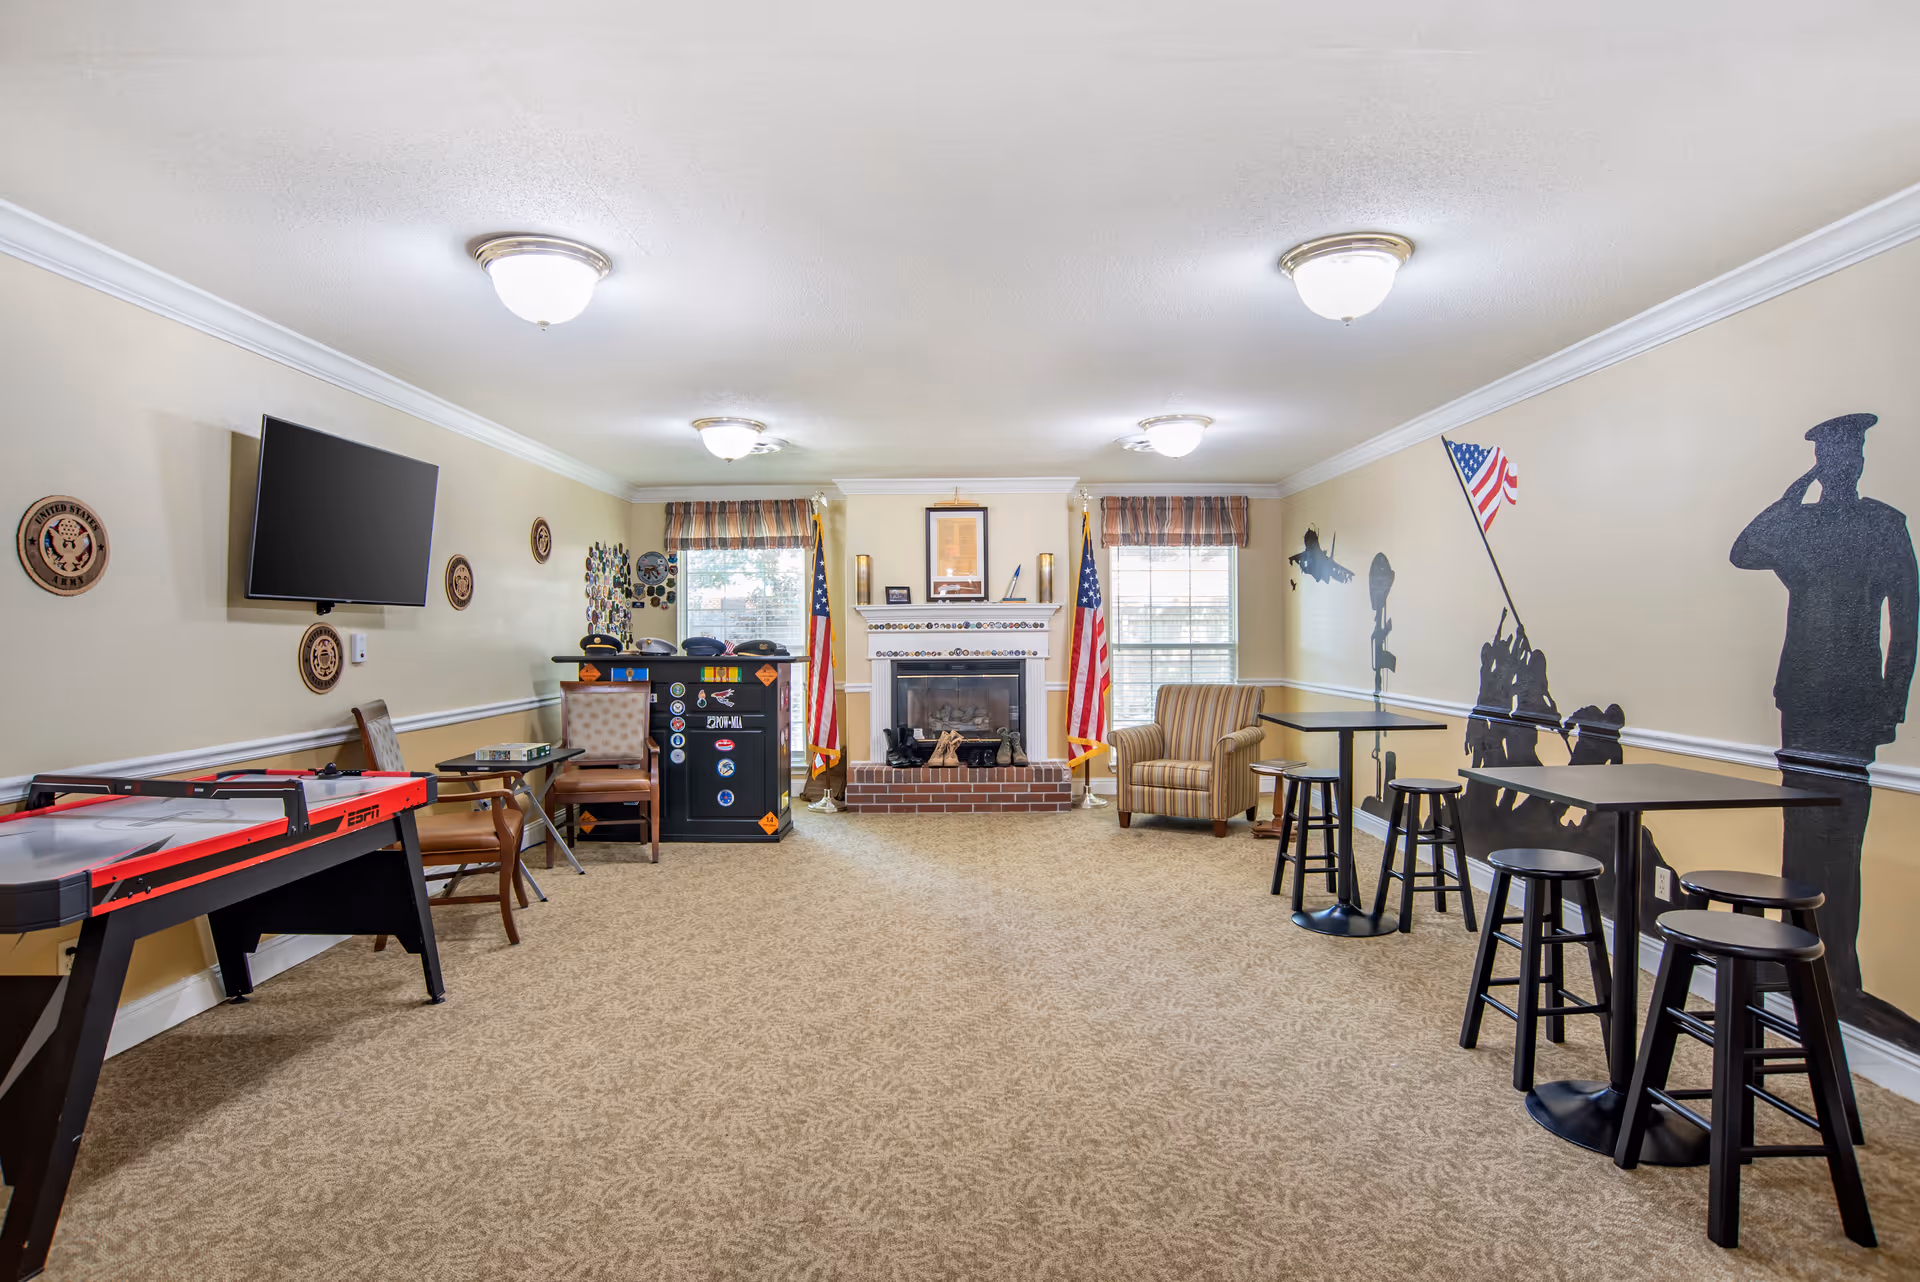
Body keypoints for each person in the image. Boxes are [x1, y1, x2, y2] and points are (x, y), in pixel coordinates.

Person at [1731, 412, 1917, 1009]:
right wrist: (1792, 494)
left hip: (1857, 696)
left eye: (1851, 456)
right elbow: (1743, 551)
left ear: (1859, 462)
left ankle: (1839, 968)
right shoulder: (1802, 526)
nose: (1845, 466)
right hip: (1804, 692)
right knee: (1801, 825)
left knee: (1844, 835)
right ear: (1822, 465)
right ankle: (1796, 951)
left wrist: (1892, 697)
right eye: (1834, 458)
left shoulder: (1884, 524)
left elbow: (1907, 618)